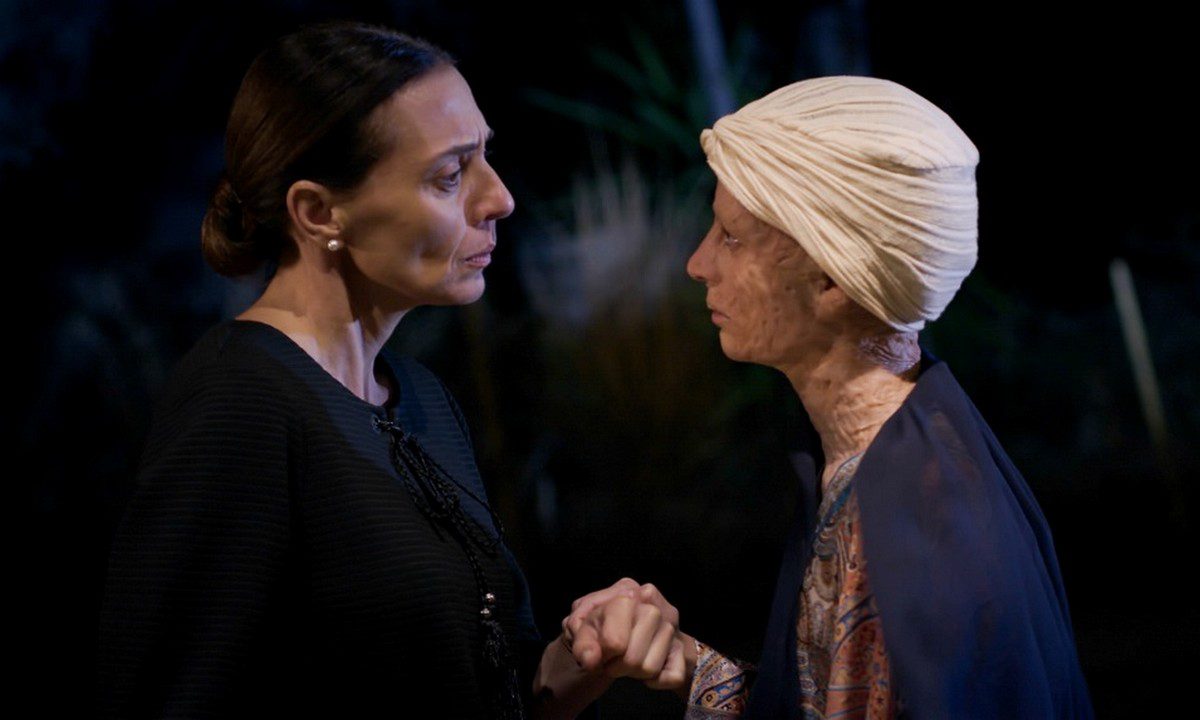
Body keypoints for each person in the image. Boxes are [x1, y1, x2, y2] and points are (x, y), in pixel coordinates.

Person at [96, 21, 676, 719]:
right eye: (449, 176)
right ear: (318, 212)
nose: (498, 198)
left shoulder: (420, 399)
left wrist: (578, 659)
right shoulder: (239, 403)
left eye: (485, 156)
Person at [560, 76, 1095, 719]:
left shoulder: (912, 524)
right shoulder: (887, 458)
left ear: (833, 281)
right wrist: (686, 666)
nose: (698, 263)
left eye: (732, 237)